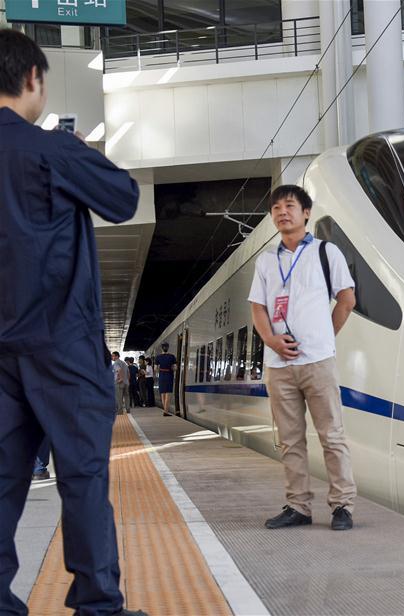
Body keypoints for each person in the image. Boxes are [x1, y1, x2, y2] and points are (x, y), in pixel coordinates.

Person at [0, 30, 146, 616]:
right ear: (33, 79)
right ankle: (96, 603)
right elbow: (124, 198)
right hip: (63, 346)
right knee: (82, 476)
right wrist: (79, 151)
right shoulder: (51, 150)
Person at [248, 184, 357, 531]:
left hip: (317, 362)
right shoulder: (266, 261)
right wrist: (272, 341)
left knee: (332, 435)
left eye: (290, 205)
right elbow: (258, 308)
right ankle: (298, 506)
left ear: (306, 212)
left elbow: (347, 299)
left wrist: (324, 337)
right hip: (279, 365)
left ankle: (342, 505)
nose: (283, 212)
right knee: (289, 439)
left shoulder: (327, 252)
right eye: (276, 207)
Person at [155, 343, 176, 417]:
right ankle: (166, 412)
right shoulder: (172, 356)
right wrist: (170, 368)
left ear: (161, 348)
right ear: (168, 348)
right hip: (169, 376)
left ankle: (165, 410)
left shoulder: (158, 357)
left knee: (163, 394)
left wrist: (161, 369)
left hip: (161, 376)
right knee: (168, 394)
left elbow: (156, 369)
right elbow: (174, 368)